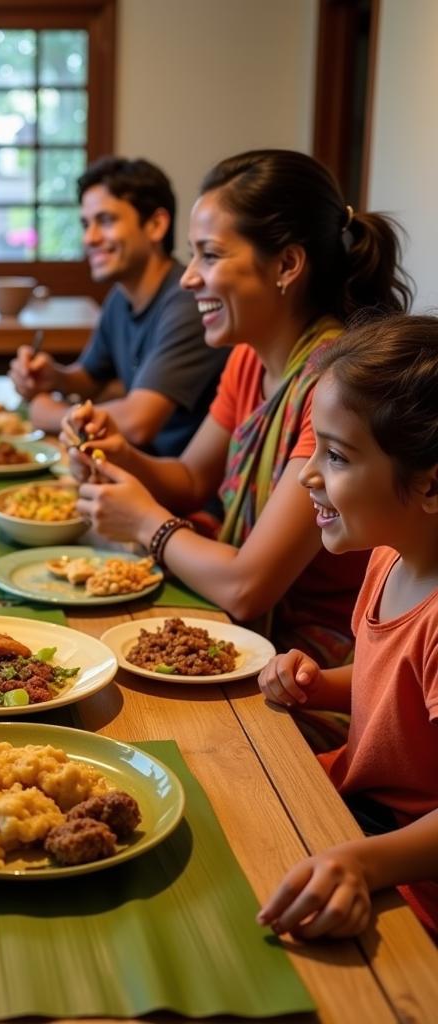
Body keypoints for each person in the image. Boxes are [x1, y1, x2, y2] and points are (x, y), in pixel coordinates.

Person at [66, 150, 411, 663]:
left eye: (210, 255)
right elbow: (190, 478)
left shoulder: (339, 388)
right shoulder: (249, 358)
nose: (187, 278)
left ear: (287, 264)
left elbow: (249, 586)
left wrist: (146, 524)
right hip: (244, 627)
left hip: (318, 658)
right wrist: (117, 457)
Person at [256, 315, 438, 940]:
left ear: (431, 483)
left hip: (408, 860)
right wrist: (320, 684)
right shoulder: (389, 555)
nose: (308, 474)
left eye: (334, 455)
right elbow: (393, 686)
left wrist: (361, 861)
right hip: (354, 806)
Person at [9, 157, 225, 453]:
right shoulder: (121, 296)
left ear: (156, 225)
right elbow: (91, 377)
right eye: (86, 224)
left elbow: (138, 422)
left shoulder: (189, 302)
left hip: (174, 485)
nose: (90, 238)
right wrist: (53, 375)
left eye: (106, 221)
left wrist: (49, 414)